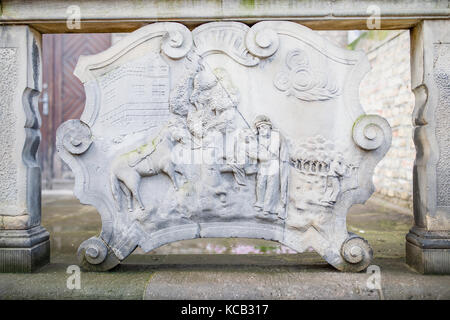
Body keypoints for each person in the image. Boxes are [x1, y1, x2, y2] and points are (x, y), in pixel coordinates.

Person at [251, 115, 289, 219]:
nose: (261, 130)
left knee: (271, 185)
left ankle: (267, 208)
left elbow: (282, 151)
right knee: (260, 184)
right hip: (263, 164)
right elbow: (253, 149)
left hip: (274, 163)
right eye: (259, 128)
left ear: (269, 127)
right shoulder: (258, 137)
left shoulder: (276, 135)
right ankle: (260, 203)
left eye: (263, 127)